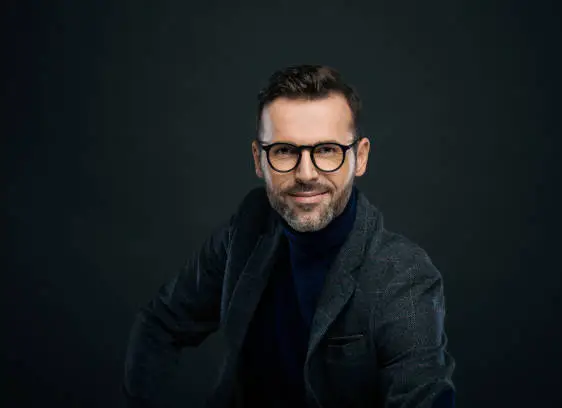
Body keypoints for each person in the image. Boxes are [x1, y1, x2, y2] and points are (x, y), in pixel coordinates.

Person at [123, 64, 456, 407]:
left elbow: (424, 398)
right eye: (284, 151)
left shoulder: (403, 275)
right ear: (258, 159)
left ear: (360, 157)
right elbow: (160, 323)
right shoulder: (249, 226)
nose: (306, 174)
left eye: (327, 150)